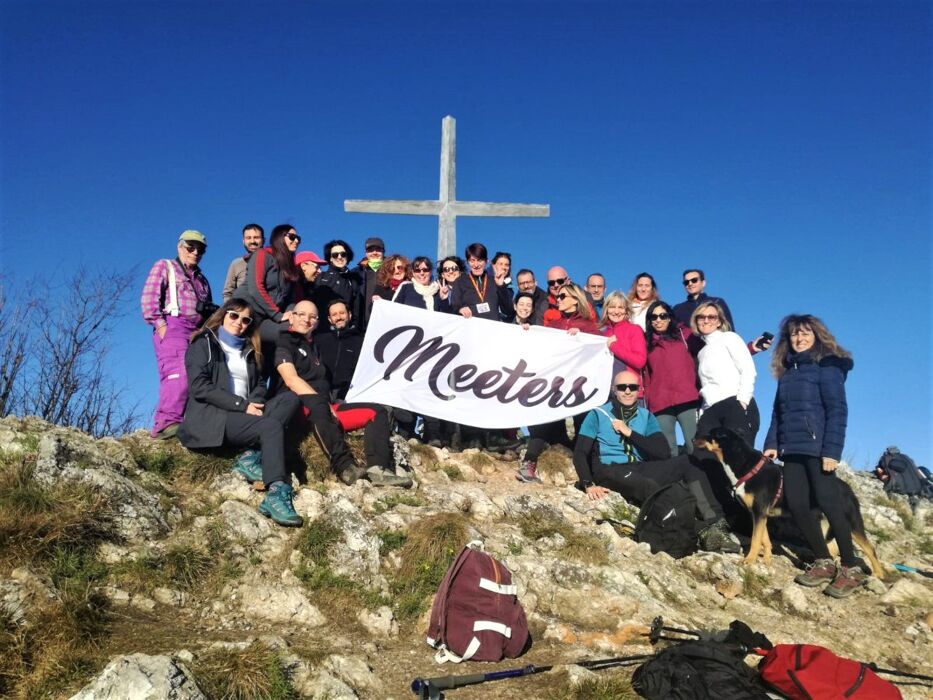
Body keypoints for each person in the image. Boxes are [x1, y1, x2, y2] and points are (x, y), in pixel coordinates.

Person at [572, 370, 739, 552]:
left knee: (688, 462)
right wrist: (588, 484)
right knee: (652, 487)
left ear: (639, 390)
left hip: (640, 467)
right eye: (622, 387)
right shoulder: (597, 414)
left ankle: (715, 524)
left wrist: (630, 433)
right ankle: (700, 532)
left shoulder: (646, 416)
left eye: (632, 387)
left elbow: (662, 452)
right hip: (610, 470)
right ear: (614, 390)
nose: (627, 391)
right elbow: (580, 452)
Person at [177, 299, 302, 527]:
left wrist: (254, 403)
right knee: (271, 426)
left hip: (244, 413)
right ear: (223, 315)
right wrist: (242, 405)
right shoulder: (203, 343)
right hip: (214, 417)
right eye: (234, 315)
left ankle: (250, 457)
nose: (239, 322)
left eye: (246, 320)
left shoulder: (248, 350)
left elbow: (260, 384)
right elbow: (199, 387)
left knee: (290, 399)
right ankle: (275, 491)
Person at [763, 315, 862, 597]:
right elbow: (778, 412)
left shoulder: (827, 367)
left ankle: (851, 566)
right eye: (794, 334)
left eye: (805, 333)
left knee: (830, 504)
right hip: (791, 449)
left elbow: (837, 411)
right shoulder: (787, 372)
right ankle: (823, 561)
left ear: (817, 335)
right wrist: (772, 442)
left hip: (818, 450)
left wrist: (832, 451)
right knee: (797, 504)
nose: (800, 338)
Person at [274, 300, 412, 487]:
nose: (306, 320)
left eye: (312, 317)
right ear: (291, 317)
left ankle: (378, 469)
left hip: (326, 408)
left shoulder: (315, 346)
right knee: (319, 407)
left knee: (376, 412)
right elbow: (290, 379)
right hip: (298, 408)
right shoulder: (285, 341)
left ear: (317, 322)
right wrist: (320, 402)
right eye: (302, 314)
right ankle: (345, 467)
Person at [517, 282, 600, 483]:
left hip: (580, 384)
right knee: (546, 418)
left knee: (583, 425)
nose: (558, 300)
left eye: (563, 296)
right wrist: (528, 331)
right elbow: (542, 343)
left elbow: (598, 349)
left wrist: (582, 338)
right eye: (557, 297)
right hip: (556, 383)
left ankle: (590, 471)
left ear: (576, 299)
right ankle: (529, 462)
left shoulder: (589, 326)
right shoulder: (554, 325)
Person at [141, 230, 215, 439]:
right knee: (178, 372)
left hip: (198, 331)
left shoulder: (202, 280)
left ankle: (191, 422)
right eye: (190, 248)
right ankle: (167, 423)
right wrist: (161, 326)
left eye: (200, 250)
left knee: (199, 375)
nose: (195, 252)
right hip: (174, 325)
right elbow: (149, 298)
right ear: (180, 247)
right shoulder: (165, 266)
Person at [392, 256, 452, 446]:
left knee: (429, 388)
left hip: (433, 349)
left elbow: (447, 320)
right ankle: (406, 432)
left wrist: (444, 299)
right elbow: (392, 312)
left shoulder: (437, 290)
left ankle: (432, 434)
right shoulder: (406, 288)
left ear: (431, 271)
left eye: (425, 269)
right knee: (408, 387)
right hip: (409, 348)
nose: (422, 273)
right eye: (418, 270)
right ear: (413, 272)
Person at [691, 301, 758, 444]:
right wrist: (702, 413)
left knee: (737, 455)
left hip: (734, 403)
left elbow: (748, 369)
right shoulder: (701, 353)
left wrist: (742, 401)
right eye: (701, 317)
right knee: (703, 455)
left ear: (719, 322)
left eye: (711, 317)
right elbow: (707, 385)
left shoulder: (729, 338)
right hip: (711, 410)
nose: (706, 320)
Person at [643, 300, 701, 456]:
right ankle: (673, 474)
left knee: (694, 446)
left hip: (686, 398)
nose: (658, 320)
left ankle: (698, 473)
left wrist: (750, 349)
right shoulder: (647, 343)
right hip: (660, 403)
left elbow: (711, 350)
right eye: (654, 317)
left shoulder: (684, 334)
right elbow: (647, 377)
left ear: (670, 317)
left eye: (663, 316)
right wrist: (647, 405)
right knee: (668, 451)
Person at [237, 224, 303, 344]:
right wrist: (277, 315)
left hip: (265, 319)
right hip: (245, 313)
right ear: (280, 237)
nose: (296, 241)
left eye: (298, 238)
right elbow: (256, 288)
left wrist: (291, 315)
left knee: (293, 332)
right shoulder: (263, 255)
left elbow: (290, 299)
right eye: (292, 237)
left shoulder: (290, 268)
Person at [314, 299, 364, 401]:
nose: (339, 317)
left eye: (342, 313)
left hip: (349, 394)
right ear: (329, 319)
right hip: (322, 393)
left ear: (349, 315)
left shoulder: (362, 341)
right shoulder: (319, 340)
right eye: (334, 314)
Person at [450, 243, 512, 321]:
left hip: (492, 327)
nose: (476, 265)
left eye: (479, 260)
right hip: (470, 326)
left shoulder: (494, 281)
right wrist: (460, 309)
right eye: (472, 261)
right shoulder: (460, 282)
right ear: (467, 262)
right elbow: (454, 308)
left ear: (486, 261)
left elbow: (508, 310)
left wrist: (501, 286)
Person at [600, 291, 647, 377]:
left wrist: (614, 346)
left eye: (621, 307)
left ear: (626, 310)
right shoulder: (602, 333)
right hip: (605, 382)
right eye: (612, 307)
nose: (616, 311)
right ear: (606, 309)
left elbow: (639, 361)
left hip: (628, 383)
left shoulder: (634, 330)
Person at [316, 240, 361, 319]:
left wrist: (355, 325)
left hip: (347, 325)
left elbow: (357, 308)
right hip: (324, 325)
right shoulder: (321, 278)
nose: (339, 257)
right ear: (330, 258)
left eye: (343, 254)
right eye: (335, 255)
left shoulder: (354, 280)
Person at [223, 224, 265, 301]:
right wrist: (231, 307)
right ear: (243, 241)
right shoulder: (236, 264)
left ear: (263, 240)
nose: (252, 241)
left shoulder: (273, 262)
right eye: (248, 238)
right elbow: (228, 293)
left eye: (256, 237)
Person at [356, 237, 385, 330]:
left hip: (386, 321)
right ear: (366, 253)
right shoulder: (356, 272)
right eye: (370, 250)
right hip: (363, 325)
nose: (374, 253)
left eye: (378, 249)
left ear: (383, 251)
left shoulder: (392, 270)